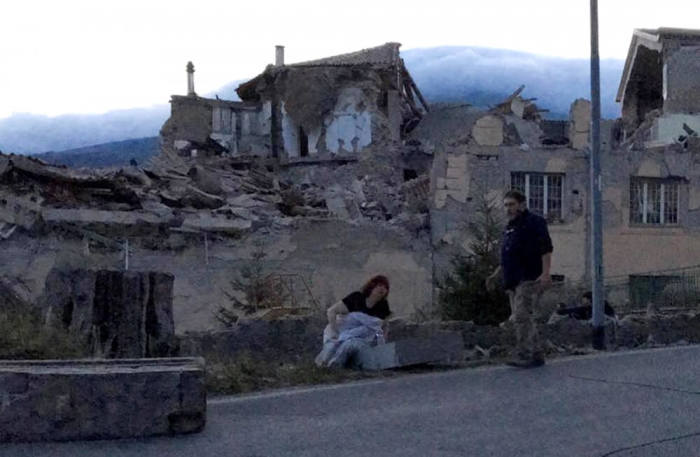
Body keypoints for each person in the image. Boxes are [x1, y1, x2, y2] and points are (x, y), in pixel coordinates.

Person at [486, 190, 553, 368]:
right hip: (512, 280)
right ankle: (537, 353)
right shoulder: (510, 227)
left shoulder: (534, 223)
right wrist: (495, 275)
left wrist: (546, 273)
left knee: (522, 316)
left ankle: (525, 353)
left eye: (512, 204)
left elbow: (546, 248)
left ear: (522, 205)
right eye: (506, 205)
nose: (508, 208)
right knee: (522, 317)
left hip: (529, 277)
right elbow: (508, 255)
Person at [325, 274, 392, 340]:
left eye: (385, 287)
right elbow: (331, 311)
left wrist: (382, 342)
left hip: (362, 342)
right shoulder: (356, 298)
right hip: (341, 336)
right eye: (380, 285)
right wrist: (336, 333)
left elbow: (383, 325)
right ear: (372, 286)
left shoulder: (383, 306)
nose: (382, 289)